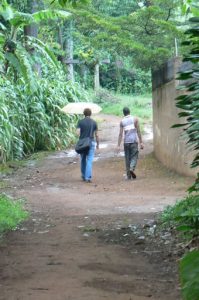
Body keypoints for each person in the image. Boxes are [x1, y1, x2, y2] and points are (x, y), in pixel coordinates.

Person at [117, 107, 144, 180]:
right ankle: (132, 168)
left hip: (126, 142)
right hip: (134, 141)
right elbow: (138, 131)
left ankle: (128, 176)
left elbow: (120, 134)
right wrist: (141, 142)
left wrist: (118, 145)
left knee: (127, 158)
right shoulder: (135, 119)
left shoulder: (122, 121)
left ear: (123, 113)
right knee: (134, 156)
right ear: (129, 111)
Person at [76, 108, 99, 183]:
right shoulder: (94, 122)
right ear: (90, 114)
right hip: (91, 142)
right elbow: (97, 135)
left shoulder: (80, 122)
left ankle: (83, 175)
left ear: (84, 114)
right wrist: (98, 144)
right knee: (89, 160)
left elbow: (77, 133)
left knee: (83, 159)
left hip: (83, 143)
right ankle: (88, 177)